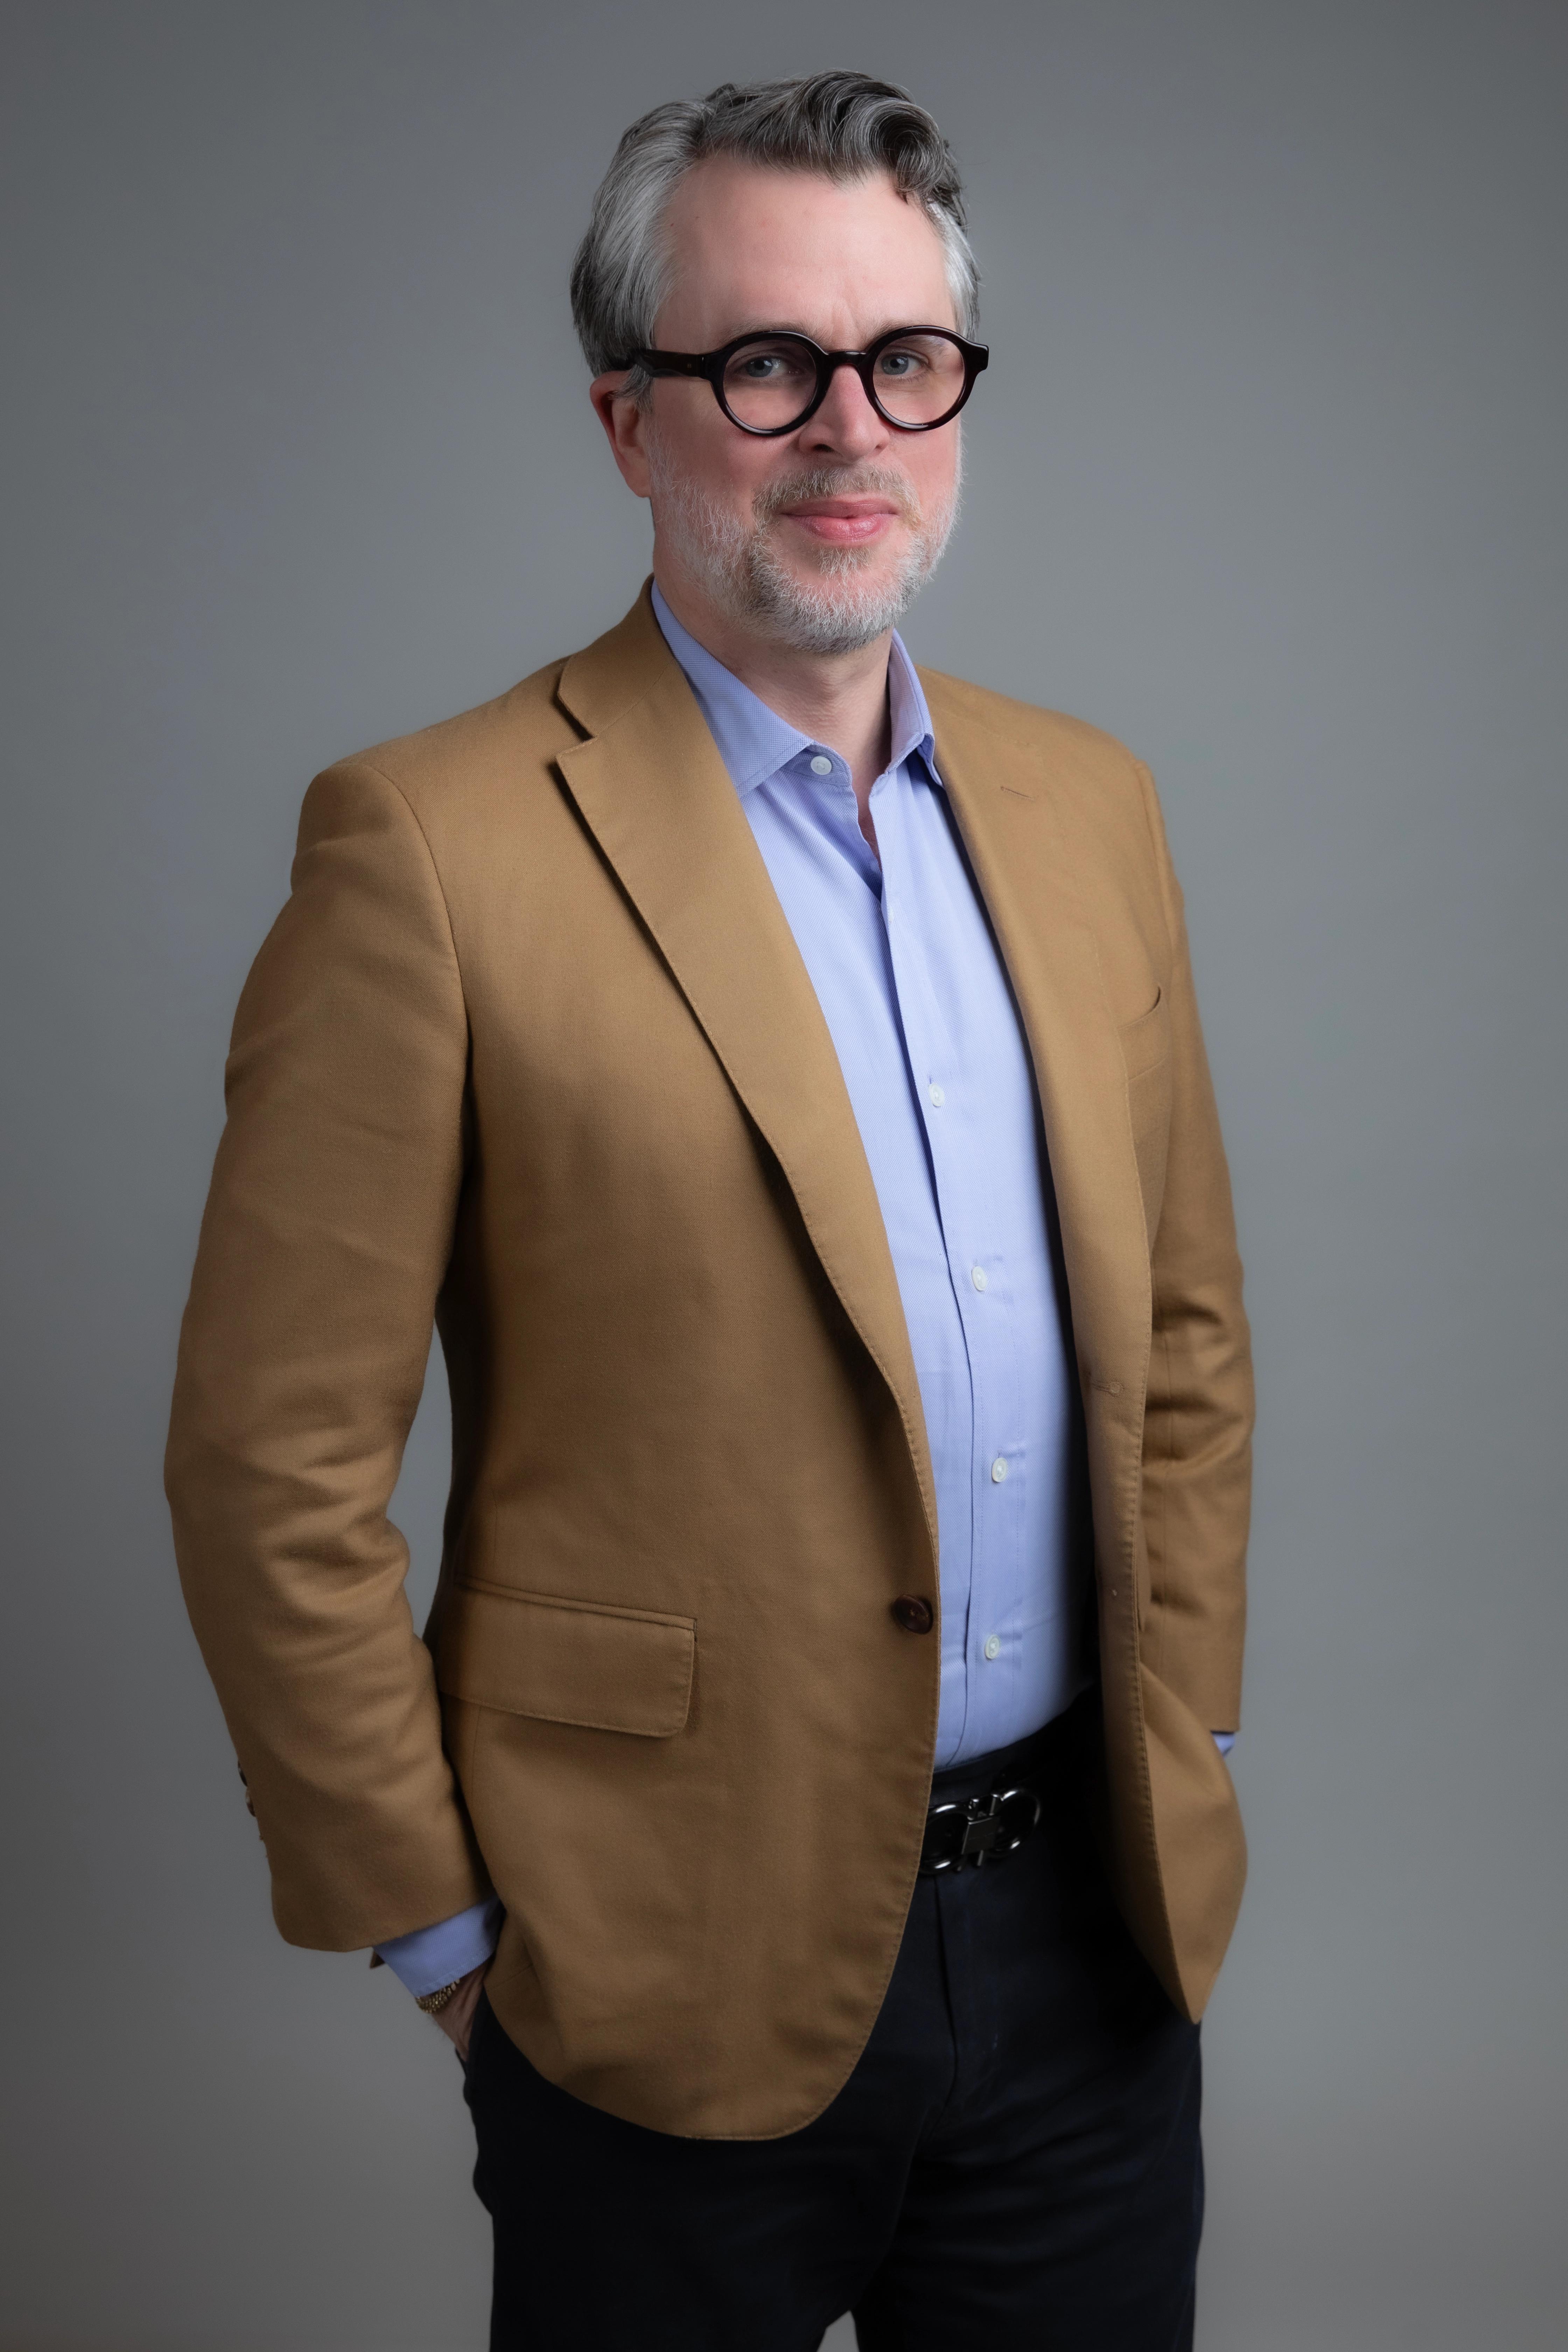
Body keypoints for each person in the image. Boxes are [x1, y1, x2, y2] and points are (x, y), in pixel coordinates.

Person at [166, 70, 1252, 2352]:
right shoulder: (432, 851)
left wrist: (1194, 1742)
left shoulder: (1090, 808)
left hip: (1088, 1952)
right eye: (765, 364)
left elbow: (1185, 1346)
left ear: (958, 402)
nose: (847, 427)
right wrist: (449, 1946)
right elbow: (270, 1463)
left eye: (905, 361)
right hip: (651, 1968)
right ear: (628, 420)